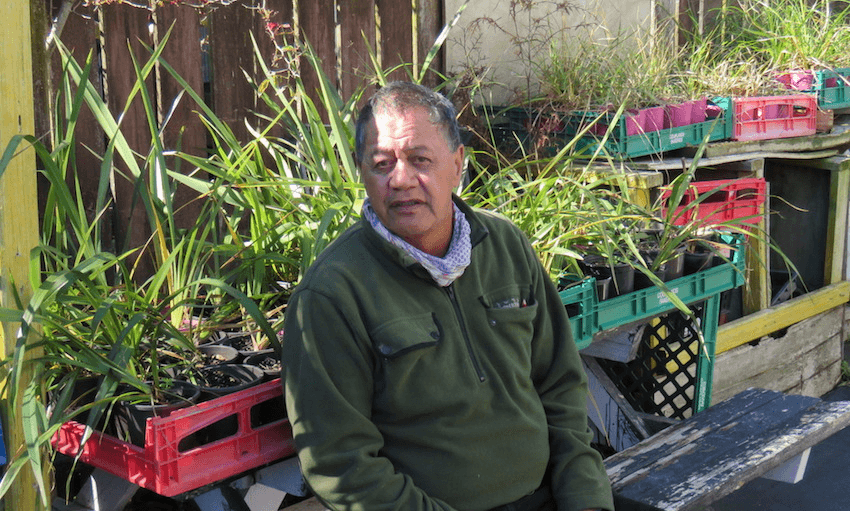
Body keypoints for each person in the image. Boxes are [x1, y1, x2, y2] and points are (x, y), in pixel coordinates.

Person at [282, 81, 614, 511]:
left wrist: (586, 499)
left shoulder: (506, 246)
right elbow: (342, 465)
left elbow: (561, 387)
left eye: (420, 159)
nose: (400, 180)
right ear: (361, 171)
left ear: (457, 165)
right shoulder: (332, 294)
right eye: (381, 164)